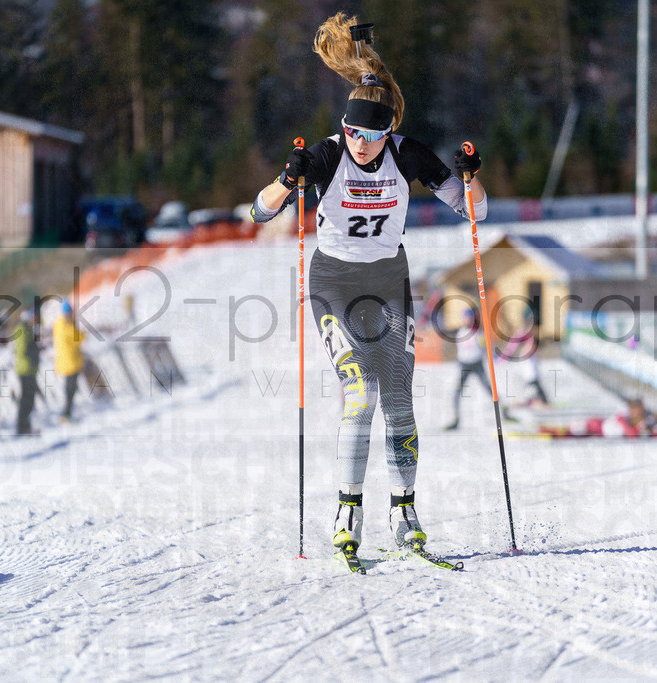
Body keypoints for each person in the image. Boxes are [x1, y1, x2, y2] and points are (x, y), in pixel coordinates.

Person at [250, 13, 487, 555]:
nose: (361, 145)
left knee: (400, 400)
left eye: (371, 136)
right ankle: (347, 510)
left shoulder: (406, 155)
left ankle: (405, 515)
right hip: (334, 281)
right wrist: (287, 181)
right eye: (353, 133)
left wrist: (471, 179)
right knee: (362, 392)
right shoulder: (328, 155)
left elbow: (475, 212)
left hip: (387, 281)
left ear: (387, 132)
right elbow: (260, 214)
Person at [445, 308, 491, 430]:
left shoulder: (478, 332)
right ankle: (455, 419)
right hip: (464, 365)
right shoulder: (460, 332)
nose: (467, 320)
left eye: (469, 318)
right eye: (465, 318)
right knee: (457, 391)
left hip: (477, 364)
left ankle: (504, 412)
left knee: (489, 389)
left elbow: (485, 346)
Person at [53, 300, 84, 423]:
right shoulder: (65, 325)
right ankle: (66, 415)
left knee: (70, 389)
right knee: (70, 390)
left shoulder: (59, 324)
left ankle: (67, 414)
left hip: (66, 361)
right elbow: (78, 338)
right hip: (70, 362)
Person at [14, 309, 40, 435]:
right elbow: (22, 349)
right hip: (25, 369)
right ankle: (21, 426)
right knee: (26, 399)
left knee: (30, 398)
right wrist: (34, 350)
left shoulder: (28, 330)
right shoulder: (22, 330)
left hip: (30, 368)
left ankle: (26, 426)